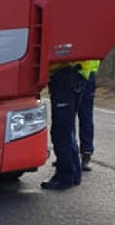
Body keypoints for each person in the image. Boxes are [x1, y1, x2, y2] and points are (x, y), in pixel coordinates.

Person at [42, 59, 98, 190]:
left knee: (61, 131)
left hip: (67, 75)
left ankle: (65, 177)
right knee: (67, 129)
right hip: (77, 74)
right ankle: (73, 175)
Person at [78, 59, 100, 170]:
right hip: (89, 73)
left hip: (75, 71)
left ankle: (69, 154)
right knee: (86, 115)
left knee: (68, 117)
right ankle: (86, 153)